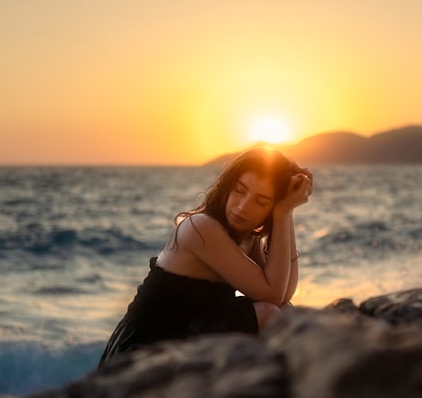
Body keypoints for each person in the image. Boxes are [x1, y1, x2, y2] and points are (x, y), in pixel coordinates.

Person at [97, 146, 312, 367]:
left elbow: (283, 294)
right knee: (268, 313)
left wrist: (287, 211)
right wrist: (283, 212)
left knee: (285, 312)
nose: (243, 206)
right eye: (239, 190)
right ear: (227, 187)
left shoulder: (247, 237)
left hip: (189, 333)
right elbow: (273, 295)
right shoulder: (202, 228)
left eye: (261, 202)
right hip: (145, 345)